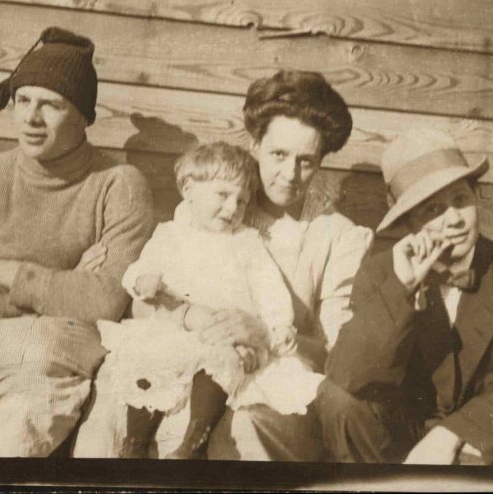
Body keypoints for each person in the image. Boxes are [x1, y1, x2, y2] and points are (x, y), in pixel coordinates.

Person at [0, 27, 155, 457]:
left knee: (42, 352)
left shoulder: (118, 184)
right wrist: (63, 286)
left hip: (62, 341)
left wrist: (6, 274)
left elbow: (106, 302)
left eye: (51, 105)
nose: (31, 118)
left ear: (83, 116)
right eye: (22, 100)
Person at [152, 70, 374, 461]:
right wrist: (194, 317)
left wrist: (265, 335)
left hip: (277, 389)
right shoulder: (215, 204)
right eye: (278, 155)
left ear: (322, 162)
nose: (289, 175)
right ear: (254, 145)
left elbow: (337, 351)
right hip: (188, 362)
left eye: (306, 161)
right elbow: (148, 301)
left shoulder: (338, 238)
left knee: (239, 434)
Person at [316, 126, 493, 466]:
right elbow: (347, 375)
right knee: (338, 401)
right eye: (433, 210)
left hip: (482, 437)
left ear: (475, 198)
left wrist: (451, 436)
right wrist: (400, 291)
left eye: (461, 200)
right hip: (400, 437)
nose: (455, 220)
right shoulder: (381, 272)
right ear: (409, 224)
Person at [73, 142, 324, 459]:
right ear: (189, 189)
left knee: (221, 365)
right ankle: (135, 442)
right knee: (148, 360)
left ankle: (195, 440)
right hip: (173, 329)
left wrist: (277, 326)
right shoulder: (169, 234)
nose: (232, 208)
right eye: (223, 195)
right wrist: (144, 281)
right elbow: (139, 269)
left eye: (242, 201)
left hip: (222, 335)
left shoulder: (247, 242)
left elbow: (269, 288)